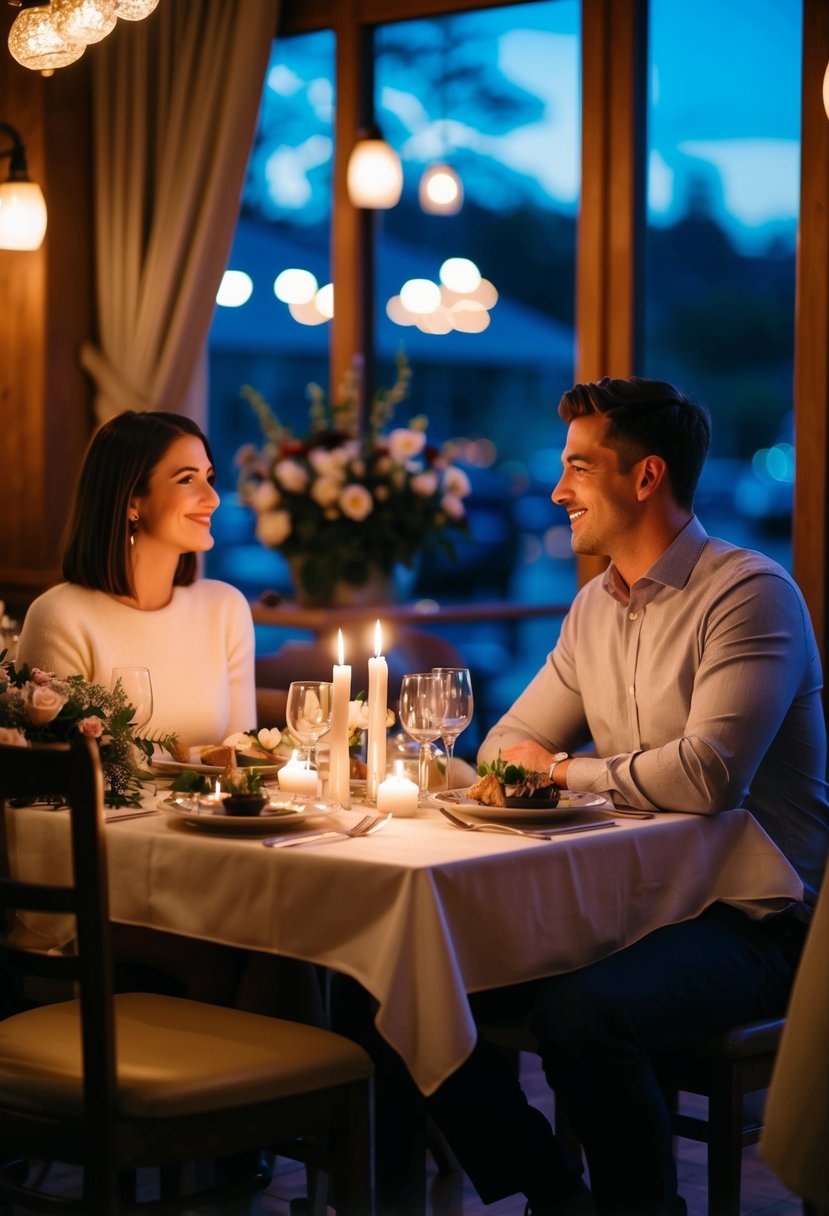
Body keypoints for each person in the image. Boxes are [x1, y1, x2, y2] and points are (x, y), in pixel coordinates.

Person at [334, 375, 829, 1216]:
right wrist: (541, 762)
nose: (557, 489)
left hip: (762, 916)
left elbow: (709, 776)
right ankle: (551, 1191)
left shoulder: (748, 593)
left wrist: (560, 770)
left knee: (583, 1017)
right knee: (380, 977)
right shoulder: (593, 608)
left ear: (645, 478)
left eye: (578, 466)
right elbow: (501, 744)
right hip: (635, 898)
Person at [17, 410, 255, 746]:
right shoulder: (61, 617)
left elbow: (242, 761)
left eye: (209, 478)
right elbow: (56, 779)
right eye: (187, 479)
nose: (213, 499)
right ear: (132, 502)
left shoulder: (226, 609)